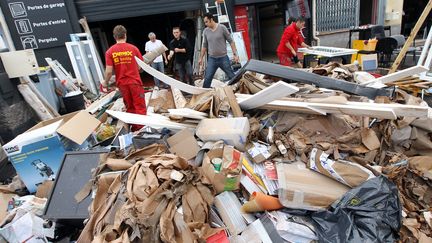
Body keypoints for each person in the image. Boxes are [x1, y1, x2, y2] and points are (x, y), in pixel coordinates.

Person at [102, 25, 146, 131]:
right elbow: (141, 68)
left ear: (114, 37)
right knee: (139, 107)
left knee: (130, 107)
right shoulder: (133, 49)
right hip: (135, 82)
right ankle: (142, 131)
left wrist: (105, 82)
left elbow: (108, 71)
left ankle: (134, 130)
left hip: (122, 84)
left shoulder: (110, 51)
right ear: (125, 35)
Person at [199, 12, 239, 88]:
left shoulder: (222, 28)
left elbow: (231, 41)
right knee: (207, 78)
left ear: (211, 19)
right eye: (204, 22)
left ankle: (239, 88)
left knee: (231, 75)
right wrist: (201, 58)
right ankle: (205, 94)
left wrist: (235, 54)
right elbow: (204, 45)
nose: (205, 24)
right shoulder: (205, 31)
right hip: (212, 59)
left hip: (223, 58)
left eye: (206, 22)